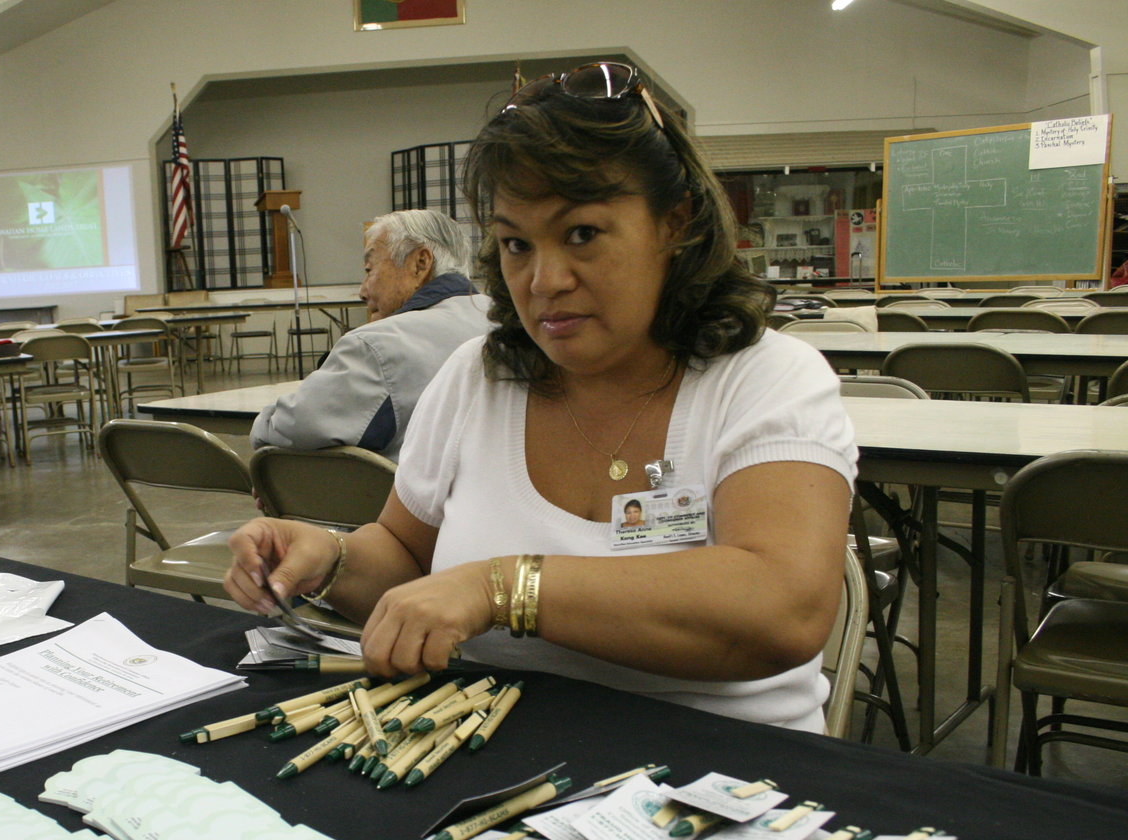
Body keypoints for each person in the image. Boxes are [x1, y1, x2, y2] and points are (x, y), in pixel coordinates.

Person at [225, 62, 856, 731]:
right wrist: (331, 558)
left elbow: (783, 610)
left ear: (675, 224)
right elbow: (409, 559)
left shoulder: (765, 379)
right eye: (517, 244)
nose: (544, 280)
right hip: (491, 746)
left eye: (582, 234)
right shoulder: (477, 378)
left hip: (724, 768)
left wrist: (502, 588)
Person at [250, 209, 491, 460]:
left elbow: (288, 427)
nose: (363, 291)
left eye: (369, 269)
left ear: (420, 264)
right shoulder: (504, 322)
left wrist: (264, 422)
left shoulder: (378, 345)